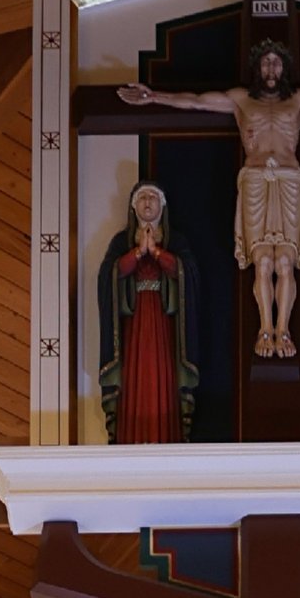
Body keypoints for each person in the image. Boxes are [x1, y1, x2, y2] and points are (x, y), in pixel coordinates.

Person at [122, 45, 300, 358]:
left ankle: (283, 330)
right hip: (255, 181)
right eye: (265, 63)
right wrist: (153, 97)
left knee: (284, 262)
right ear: (257, 69)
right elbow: (195, 101)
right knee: (262, 261)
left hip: (288, 181)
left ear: (284, 68)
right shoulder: (240, 100)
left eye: (276, 63)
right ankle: (265, 329)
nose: (271, 69)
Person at [95, 178, 195, 443]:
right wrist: (138, 253)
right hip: (133, 324)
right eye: (142, 198)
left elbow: (187, 274)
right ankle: (131, 437)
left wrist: (158, 254)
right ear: (133, 206)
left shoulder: (176, 241)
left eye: (153, 197)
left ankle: (168, 436)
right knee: (134, 380)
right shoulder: (121, 241)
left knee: (163, 377)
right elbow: (109, 275)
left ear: (162, 205)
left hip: (164, 323)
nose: (148, 202)